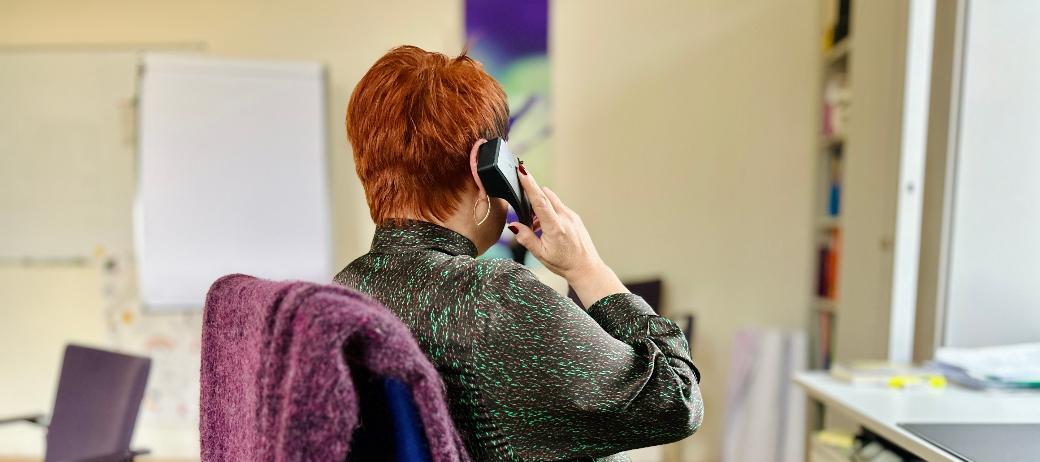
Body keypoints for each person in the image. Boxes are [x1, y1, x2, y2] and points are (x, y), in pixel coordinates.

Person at [335, 45, 703, 462]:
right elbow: (676, 399)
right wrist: (587, 267)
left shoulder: (344, 291)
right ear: (485, 167)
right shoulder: (494, 299)